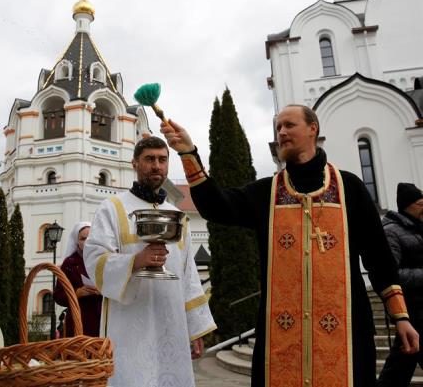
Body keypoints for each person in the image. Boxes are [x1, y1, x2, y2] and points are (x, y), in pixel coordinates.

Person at [160, 105, 419, 387]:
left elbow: (379, 258)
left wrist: (401, 316)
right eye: (278, 127)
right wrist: (188, 153)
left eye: (289, 125)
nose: (281, 132)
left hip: (346, 335)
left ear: (313, 129)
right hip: (280, 341)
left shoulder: (350, 188)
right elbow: (216, 205)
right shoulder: (266, 193)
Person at [84, 136, 216, 387]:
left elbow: (189, 275)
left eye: (162, 160)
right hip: (130, 321)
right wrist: (135, 261)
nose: (157, 165)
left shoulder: (178, 216)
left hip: (173, 322)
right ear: (135, 163)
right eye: (149, 159)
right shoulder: (112, 207)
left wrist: (195, 328)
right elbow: (95, 259)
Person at [377, 183, 423, 386]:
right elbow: (390, 274)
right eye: (421, 203)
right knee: (399, 366)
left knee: (400, 364)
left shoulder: (418, 227)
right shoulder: (391, 232)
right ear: (408, 206)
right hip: (411, 310)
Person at [54, 221, 102, 337]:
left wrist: (105, 290)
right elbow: (58, 296)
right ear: (77, 242)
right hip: (80, 322)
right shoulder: (70, 264)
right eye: (83, 239)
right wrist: (76, 293)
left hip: (104, 320)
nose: (87, 242)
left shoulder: (105, 260)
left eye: (90, 238)